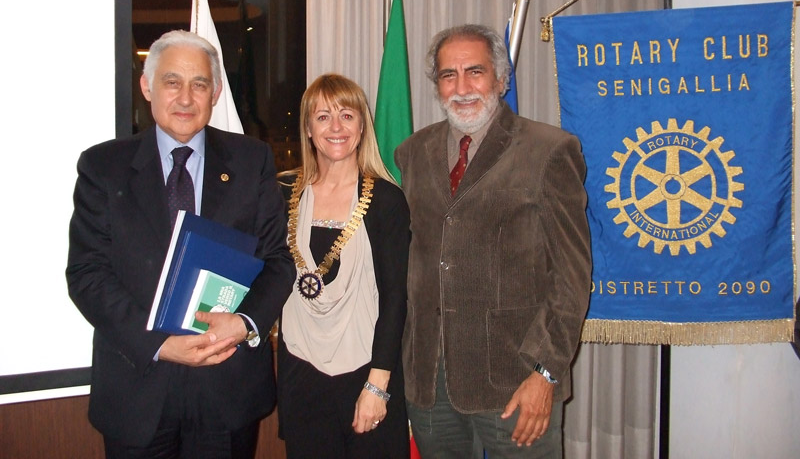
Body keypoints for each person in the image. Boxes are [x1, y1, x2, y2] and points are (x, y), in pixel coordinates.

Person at [66, 30, 296, 458]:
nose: (186, 98)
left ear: (216, 92)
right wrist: (160, 344)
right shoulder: (103, 167)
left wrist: (245, 322)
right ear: (147, 86)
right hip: (137, 391)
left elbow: (277, 262)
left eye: (200, 84)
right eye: (172, 82)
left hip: (227, 388)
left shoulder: (252, 161)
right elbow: (86, 275)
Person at [395, 24, 592, 458]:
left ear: (501, 80)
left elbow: (572, 279)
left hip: (516, 380)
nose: (462, 87)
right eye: (448, 75)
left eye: (475, 72)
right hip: (430, 382)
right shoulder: (411, 153)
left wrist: (547, 373)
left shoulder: (549, 150)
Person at [276, 73, 410, 458]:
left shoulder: (386, 200)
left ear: (362, 125)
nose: (336, 127)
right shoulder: (284, 194)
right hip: (301, 373)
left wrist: (377, 386)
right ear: (307, 127)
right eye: (322, 117)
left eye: (347, 115)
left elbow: (395, 299)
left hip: (367, 373)